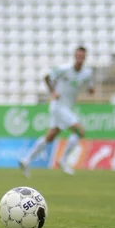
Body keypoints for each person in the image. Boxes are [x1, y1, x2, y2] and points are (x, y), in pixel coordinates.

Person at [19, 46, 94, 178]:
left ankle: (26, 160)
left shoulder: (87, 73)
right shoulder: (64, 69)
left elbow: (90, 86)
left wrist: (90, 90)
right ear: (74, 56)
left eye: (82, 56)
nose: (80, 58)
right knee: (80, 131)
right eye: (78, 55)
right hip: (58, 106)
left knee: (50, 136)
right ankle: (63, 160)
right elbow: (47, 77)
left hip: (66, 107)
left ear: (85, 57)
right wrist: (53, 91)